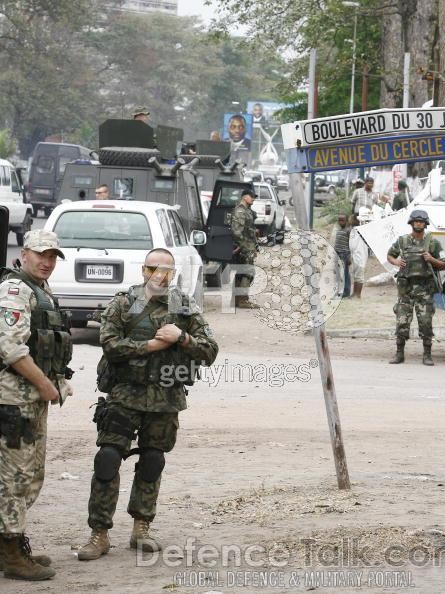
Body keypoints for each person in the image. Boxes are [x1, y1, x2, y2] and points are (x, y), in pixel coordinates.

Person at [78, 248, 218, 561]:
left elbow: (210, 350)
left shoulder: (184, 306)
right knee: (108, 458)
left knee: (153, 461)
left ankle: (141, 527)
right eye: (154, 269)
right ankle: (99, 534)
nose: (160, 275)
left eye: (167, 270)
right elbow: (109, 343)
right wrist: (152, 345)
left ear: (174, 274)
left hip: (165, 399)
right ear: (144, 271)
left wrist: (182, 337)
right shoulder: (125, 303)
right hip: (125, 395)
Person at [0, 230, 73, 581]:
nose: (47, 262)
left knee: (30, 475)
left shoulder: (40, 291)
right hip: (13, 401)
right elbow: (11, 350)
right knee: (15, 477)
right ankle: (11, 554)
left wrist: (56, 382)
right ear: (24, 253)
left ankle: (11, 542)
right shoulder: (15, 291)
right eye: (41, 254)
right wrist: (45, 385)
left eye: (53, 256)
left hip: (31, 400)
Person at [387, 210, 445, 366]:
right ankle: (399, 354)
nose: (419, 223)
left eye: (421, 221)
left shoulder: (433, 243)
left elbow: (443, 264)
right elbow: (390, 255)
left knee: (426, 324)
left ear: (425, 224)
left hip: (424, 291)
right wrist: (396, 262)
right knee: (401, 323)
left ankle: (427, 355)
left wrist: (431, 258)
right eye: (416, 221)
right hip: (405, 291)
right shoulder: (402, 241)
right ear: (411, 223)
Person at [231, 189, 260, 309]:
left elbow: (247, 229)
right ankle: (242, 300)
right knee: (248, 272)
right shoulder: (240, 211)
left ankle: (238, 300)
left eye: (254, 196)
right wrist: (243, 246)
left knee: (242, 272)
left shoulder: (247, 210)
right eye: (251, 196)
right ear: (244, 197)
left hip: (247, 245)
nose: (253, 198)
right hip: (244, 246)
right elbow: (237, 231)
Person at [348, 214, 369, 298]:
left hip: (360, 256)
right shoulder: (353, 230)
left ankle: (358, 294)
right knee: (356, 276)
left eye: (352, 219)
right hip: (354, 255)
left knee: (359, 276)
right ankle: (354, 293)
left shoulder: (362, 230)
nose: (350, 221)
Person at [332, 214, 351, 298]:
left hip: (344, 254)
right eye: (339, 220)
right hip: (337, 253)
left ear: (347, 221)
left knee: (345, 274)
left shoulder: (348, 230)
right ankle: (339, 291)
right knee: (337, 274)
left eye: (342, 220)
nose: (340, 222)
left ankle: (346, 292)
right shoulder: (339, 230)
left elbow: (351, 244)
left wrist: (349, 256)